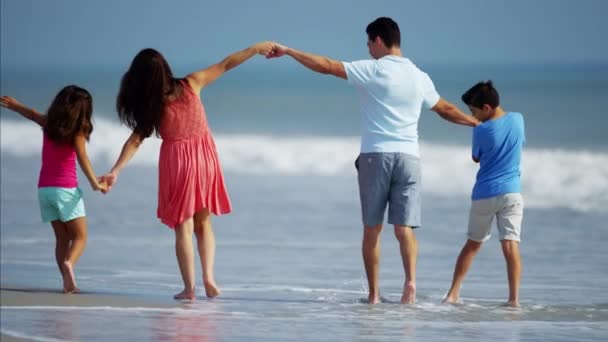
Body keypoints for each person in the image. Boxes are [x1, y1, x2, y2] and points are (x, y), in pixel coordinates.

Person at [266, 17, 479, 304]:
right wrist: (475, 124)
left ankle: (374, 295)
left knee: (372, 229)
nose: (367, 49)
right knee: (404, 229)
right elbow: (445, 109)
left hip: (375, 156)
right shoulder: (420, 76)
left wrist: (290, 51)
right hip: (409, 158)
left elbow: (326, 66)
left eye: (368, 43)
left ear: (379, 40)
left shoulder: (373, 69)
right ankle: (410, 283)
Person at [100, 42, 274, 300]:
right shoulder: (192, 83)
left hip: (177, 162)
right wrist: (255, 48)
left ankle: (190, 288)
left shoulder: (153, 106)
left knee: (183, 224)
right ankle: (210, 278)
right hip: (205, 157)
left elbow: (135, 140)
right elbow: (227, 63)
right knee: (204, 223)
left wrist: (116, 170)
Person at [0, 86, 107, 293]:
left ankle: (66, 282)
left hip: (44, 190)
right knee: (80, 237)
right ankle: (69, 265)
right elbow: (83, 160)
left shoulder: (49, 124)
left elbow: (31, 113)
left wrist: (14, 105)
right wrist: (95, 183)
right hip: (65, 191)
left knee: (61, 239)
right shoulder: (77, 132)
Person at [443, 81, 525, 307]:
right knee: (510, 245)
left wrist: (479, 128)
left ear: (487, 108)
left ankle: (453, 294)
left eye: (474, 111)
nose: (473, 116)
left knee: (472, 244)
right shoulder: (518, 119)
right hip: (512, 193)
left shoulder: (480, 130)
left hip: (485, 194)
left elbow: (476, 157)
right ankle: (514, 300)